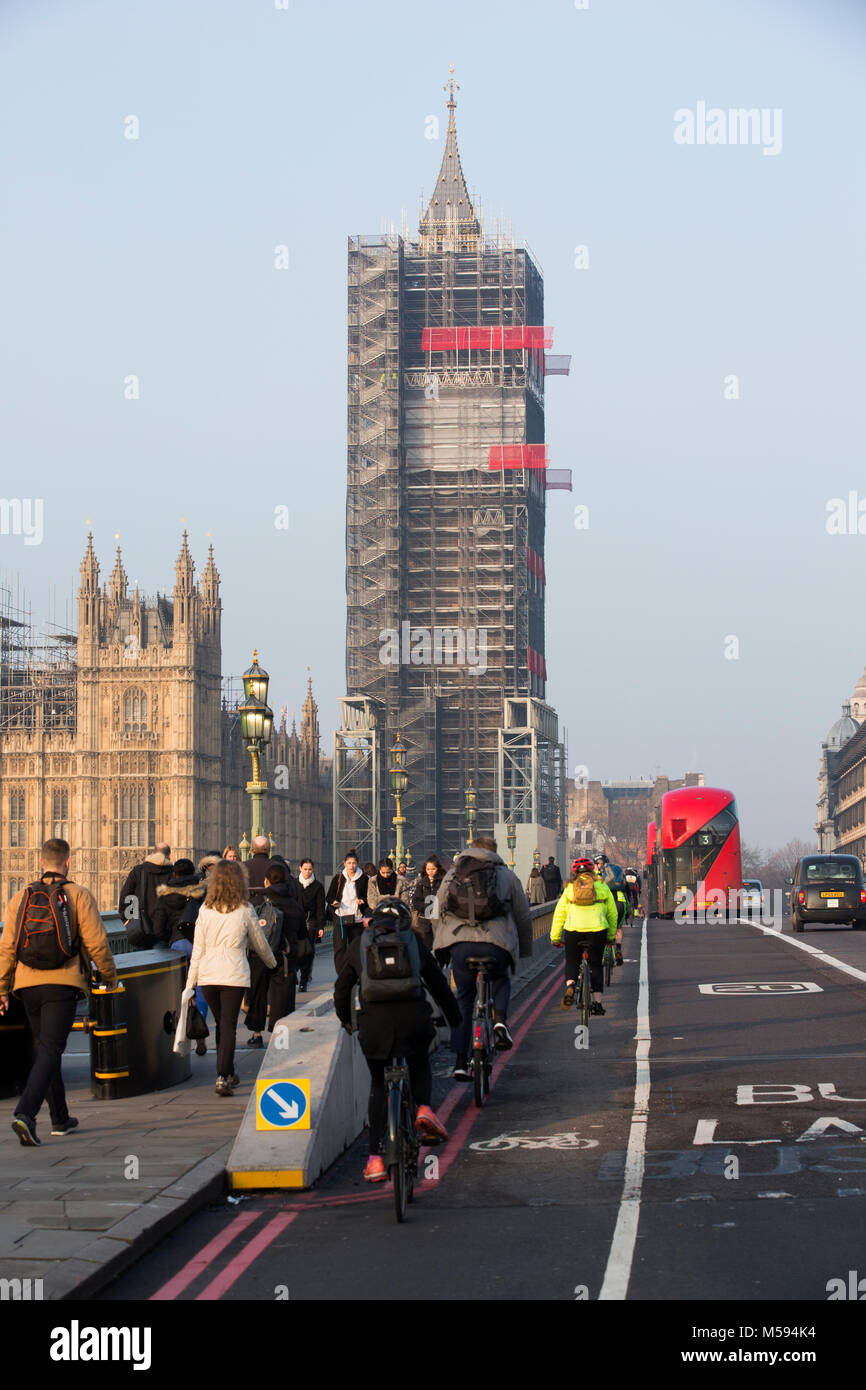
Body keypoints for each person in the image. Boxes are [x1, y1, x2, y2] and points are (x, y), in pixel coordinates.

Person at [0, 837, 118, 1146]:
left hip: (27, 987)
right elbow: (96, 943)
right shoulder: (77, 895)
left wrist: (2, 988)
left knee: (45, 1050)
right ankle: (25, 1113)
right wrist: (110, 977)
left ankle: (60, 1118)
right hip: (62, 983)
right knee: (51, 1051)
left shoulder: (21, 897)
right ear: (68, 862)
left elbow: (7, 948)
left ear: (41, 863)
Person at [333, 898, 461, 1182]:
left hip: (374, 1024)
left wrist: (346, 1020)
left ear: (375, 921)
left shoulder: (361, 944)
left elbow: (341, 989)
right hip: (411, 1017)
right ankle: (425, 1109)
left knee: (379, 1084)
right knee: (418, 1060)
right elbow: (438, 984)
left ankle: (376, 1159)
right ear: (403, 921)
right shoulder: (413, 942)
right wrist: (455, 1019)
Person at [433, 835, 533, 1080]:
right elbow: (522, 915)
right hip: (495, 944)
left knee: (464, 1001)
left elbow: (435, 910)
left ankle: (459, 1061)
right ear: (494, 852)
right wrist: (524, 950)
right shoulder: (506, 875)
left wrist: (442, 943)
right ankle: (499, 1021)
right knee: (500, 978)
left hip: (460, 944)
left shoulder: (453, 874)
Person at [186, 859, 275, 1095]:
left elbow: (198, 950)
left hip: (208, 976)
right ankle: (223, 1076)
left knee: (222, 1025)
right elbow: (260, 944)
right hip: (233, 975)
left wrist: (190, 984)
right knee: (227, 1026)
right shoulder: (245, 910)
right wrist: (272, 964)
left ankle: (227, 1071)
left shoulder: (205, 910)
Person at [245, 859, 308, 1044]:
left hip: (260, 954)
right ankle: (279, 1036)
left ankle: (256, 1033)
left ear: (266, 881)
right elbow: (302, 935)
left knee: (258, 992)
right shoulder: (295, 906)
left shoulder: (257, 900)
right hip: (284, 957)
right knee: (282, 997)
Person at [152, 857, 210, 1053]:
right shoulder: (201, 892)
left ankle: (182, 1032)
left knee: (180, 989)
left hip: (176, 944)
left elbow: (158, 927)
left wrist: (170, 938)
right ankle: (200, 1031)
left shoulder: (165, 895)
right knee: (200, 988)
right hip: (198, 944)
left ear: (174, 874)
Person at [551, 857, 618, 1015]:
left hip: (573, 931)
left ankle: (571, 986)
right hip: (597, 931)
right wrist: (610, 936)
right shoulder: (601, 886)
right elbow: (613, 914)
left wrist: (555, 937)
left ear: (575, 872)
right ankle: (597, 1003)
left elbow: (559, 914)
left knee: (572, 961)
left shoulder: (569, 888)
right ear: (592, 871)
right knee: (595, 965)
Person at [117, 843, 173, 947]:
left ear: (152, 854)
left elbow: (126, 897)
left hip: (141, 929)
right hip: (165, 930)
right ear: (169, 856)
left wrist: (127, 920)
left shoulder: (138, 871)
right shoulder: (173, 873)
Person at [326, 850, 369, 973]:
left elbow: (368, 897)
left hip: (357, 918)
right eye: (349, 863)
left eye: (354, 863)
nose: (351, 866)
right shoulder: (338, 878)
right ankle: (341, 973)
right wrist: (334, 902)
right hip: (341, 917)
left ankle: (357, 972)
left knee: (356, 947)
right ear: (344, 864)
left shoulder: (364, 879)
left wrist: (362, 901)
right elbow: (329, 896)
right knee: (340, 948)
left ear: (358, 864)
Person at [296, 857, 325, 990]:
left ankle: (304, 979)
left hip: (311, 922)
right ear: (300, 869)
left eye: (310, 869)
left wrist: (321, 926)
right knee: (296, 950)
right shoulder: (294, 884)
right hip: (296, 922)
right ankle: (296, 973)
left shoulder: (318, 886)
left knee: (308, 951)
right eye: (305, 869)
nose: (307, 872)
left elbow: (320, 907)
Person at [409, 854, 445, 950]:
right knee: (426, 947)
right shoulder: (422, 882)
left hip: (439, 920)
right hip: (424, 921)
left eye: (433, 869)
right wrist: (428, 907)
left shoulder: (443, 882)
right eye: (428, 869)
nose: (430, 872)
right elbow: (416, 901)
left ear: (438, 869)